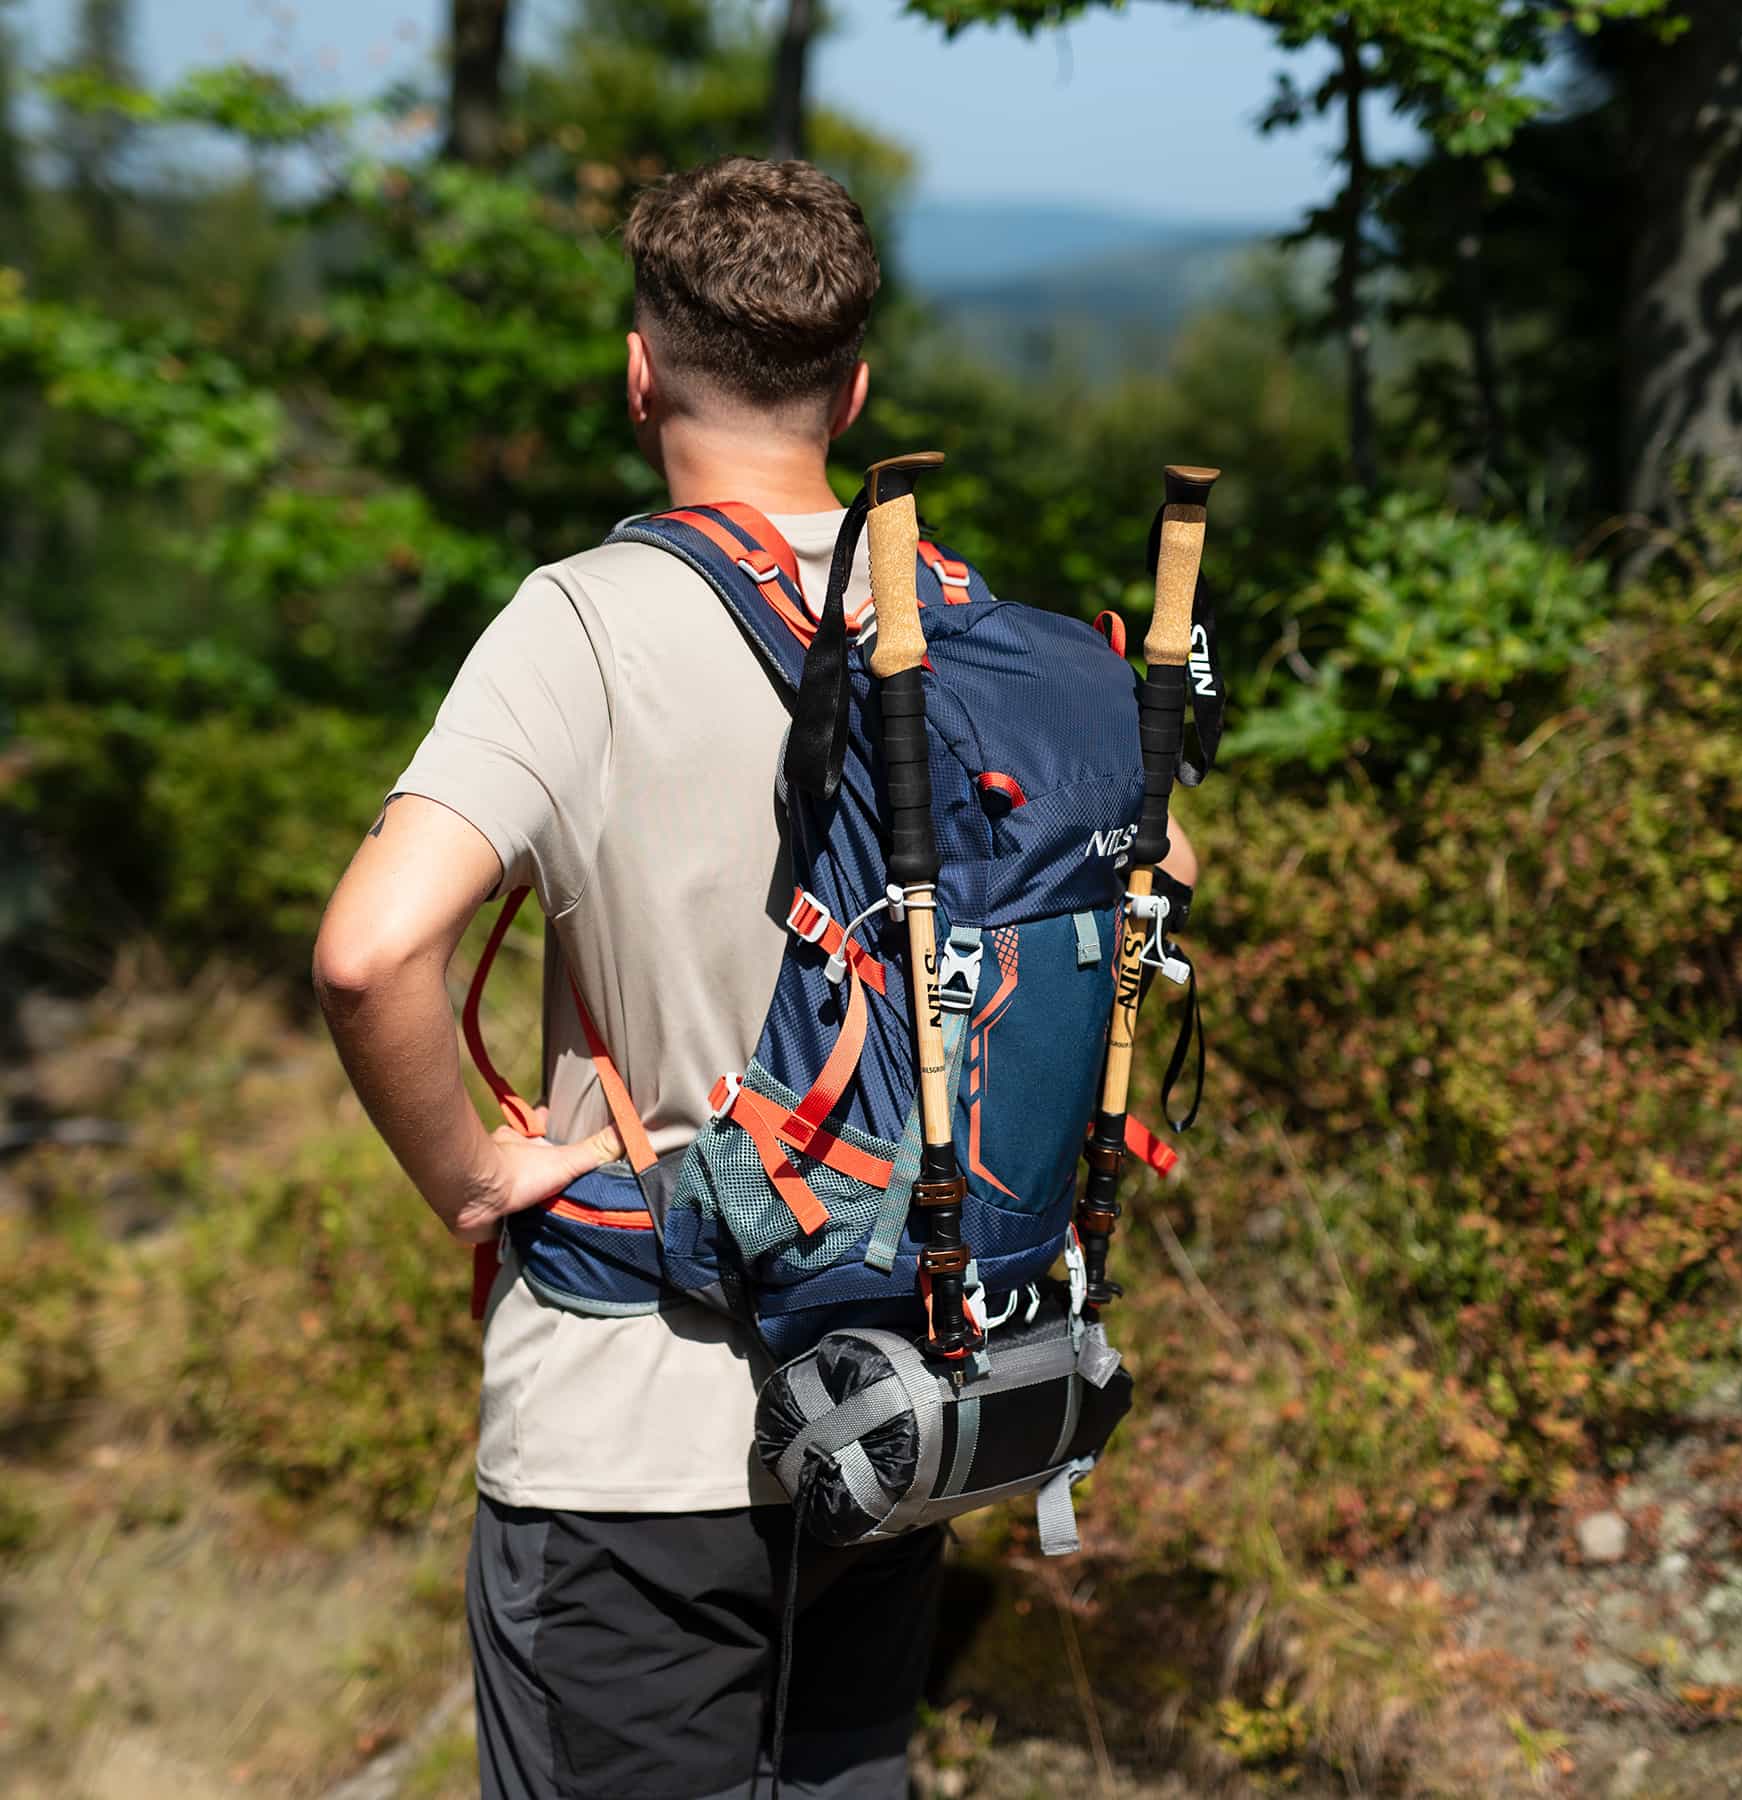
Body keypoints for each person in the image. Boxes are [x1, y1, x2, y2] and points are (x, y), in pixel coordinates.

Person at [314, 154, 1199, 1799]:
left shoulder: (579, 624)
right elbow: (1152, 875)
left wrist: (478, 1174)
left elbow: (370, 954)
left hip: (632, 1431)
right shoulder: (955, 632)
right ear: (854, 390)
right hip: (897, 1399)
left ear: (638, 371)